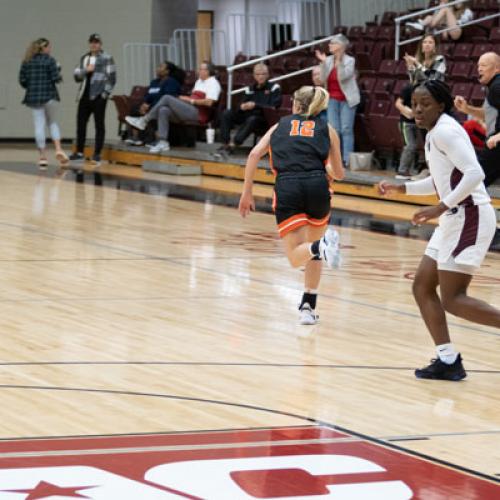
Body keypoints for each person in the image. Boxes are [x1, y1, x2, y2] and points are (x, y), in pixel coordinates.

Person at [378, 80, 500, 381]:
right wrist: (401, 188)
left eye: (425, 104)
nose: (418, 109)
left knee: (454, 299)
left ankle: (449, 360)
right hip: (454, 218)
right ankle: (448, 360)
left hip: (469, 216)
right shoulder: (436, 131)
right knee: (421, 286)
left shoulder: (445, 131)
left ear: (442, 106)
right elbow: (442, 180)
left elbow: (475, 174)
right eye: (415, 103)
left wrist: (439, 207)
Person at [238, 86, 344, 325]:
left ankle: (323, 249)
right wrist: (323, 170)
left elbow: (254, 155)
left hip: (289, 187)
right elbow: (338, 173)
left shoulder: (279, 126)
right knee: (313, 249)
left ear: (295, 104)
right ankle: (308, 306)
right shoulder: (328, 130)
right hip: (318, 187)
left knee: (298, 256)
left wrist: (247, 192)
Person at [125, 61, 221, 153]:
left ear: (208, 72)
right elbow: (193, 98)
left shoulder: (213, 83)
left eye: (201, 69)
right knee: (164, 110)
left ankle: (144, 121)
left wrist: (190, 100)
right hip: (190, 109)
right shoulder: (199, 82)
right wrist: (185, 98)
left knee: (167, 97)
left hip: (198, 114)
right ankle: (163, 142)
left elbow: (209, 102)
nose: (198, 71)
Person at [19, 38, 68, 168]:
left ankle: (42, 156)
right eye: (49, 47)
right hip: (49, 96)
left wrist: (32, 85)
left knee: (38, 125)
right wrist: (59, 70)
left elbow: (22, 81)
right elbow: (56, 78)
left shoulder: (27, 62)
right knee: (52, 122)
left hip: (34, 97)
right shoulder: (50, 61)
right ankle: (58, 149)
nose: (50, 49)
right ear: (44, 48)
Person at [455, 52, 500, 186]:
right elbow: (490, 115)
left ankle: (459, 205)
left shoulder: (497, 87)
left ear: (497, 68)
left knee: (474, 182)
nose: (479, 68)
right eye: (478, 65)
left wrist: (499, 136)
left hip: (497, 143)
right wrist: (467, 109)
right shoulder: (493, 86)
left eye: (484, 65)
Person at [70, 34, 116, 166]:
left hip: (98, 96)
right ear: (89, 43)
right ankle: (79, 152)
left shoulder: (107, 58)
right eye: (92, 42)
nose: (94, 45)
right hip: (84, 94)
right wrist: (86, 70)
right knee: (81, 124)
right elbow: (76, 76)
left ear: (101, 44)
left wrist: (104, 95)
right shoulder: (85, 58)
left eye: (97, 42)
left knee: (99, 125)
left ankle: (97, 154)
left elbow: (112, 78)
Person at [217, 63, 281, 155]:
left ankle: (234, 143)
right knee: (227, 113)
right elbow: (240, 105)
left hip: (264, 119)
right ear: (254, 76)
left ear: (267, 75)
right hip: (248, 116)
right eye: (258, 74)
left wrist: (255, 105)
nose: (260, 77)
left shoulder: (274, 88)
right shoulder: (249, 88)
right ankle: (225, 143)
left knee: (252, 119)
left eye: (263, 74)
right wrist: (242, 107)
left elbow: (274, 105)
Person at [316, 34, 360, 167]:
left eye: (332, 43)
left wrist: (339, 62)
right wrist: (324, 64)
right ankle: (334, 158)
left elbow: (344, 77)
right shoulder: (328, 60)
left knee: (346, 129)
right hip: (332, 99)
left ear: (340, 46)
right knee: (334, 130)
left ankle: (346, 160)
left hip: (347, 99)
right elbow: (322, 79)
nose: (329, 45)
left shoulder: (350, 61)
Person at [125, 61, 183, 147]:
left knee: (157, 110)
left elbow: (167, 98)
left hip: (166, 108)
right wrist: (144, 104)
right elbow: (148, 95)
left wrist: (150, 105)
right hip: (151, 106)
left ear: (167, 71)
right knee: (134, 109)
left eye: (161, 67)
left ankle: (158, 140)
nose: (157, 69)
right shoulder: (154, 82)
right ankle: (136, 138)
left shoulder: (172, 82)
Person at [407, 0, 473, 41]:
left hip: (457, 33)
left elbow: (464, 24)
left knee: (445, 9)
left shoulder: (468, 11)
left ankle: (422, 25)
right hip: (444, 30)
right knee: (430, 17)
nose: (457, 3)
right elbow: (444, 23)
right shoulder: (452, 9)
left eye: (460, 2)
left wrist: (446, 28)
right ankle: (421, 25)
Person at [394, 84, 418, 179]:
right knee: (410, 146)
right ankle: (402, 171)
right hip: (406, 123)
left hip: (416, 124)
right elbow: (398, 103)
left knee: (412, 146)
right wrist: (408, 112)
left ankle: (405, 170)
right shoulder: (408, 88)